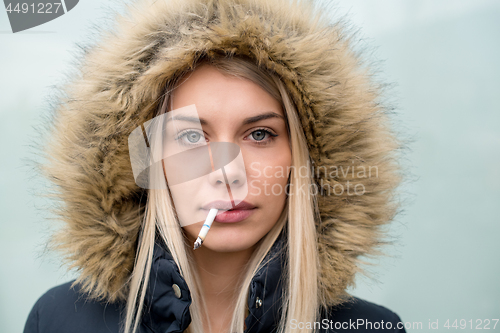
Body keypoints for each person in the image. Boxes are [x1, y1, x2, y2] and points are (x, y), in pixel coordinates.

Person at [23, 0, 406, 332]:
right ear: (147, 162)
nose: (228, 172)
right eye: (191, 137)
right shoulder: (60, 320)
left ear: (304, 160)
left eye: (259, 134)